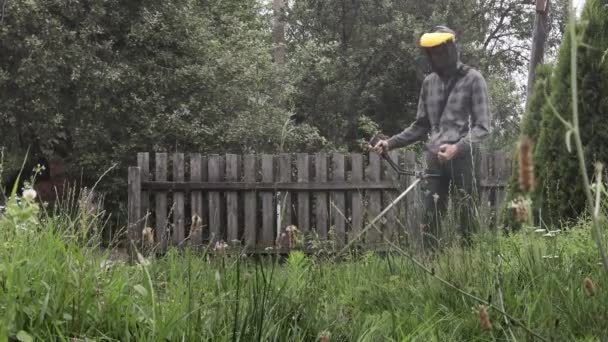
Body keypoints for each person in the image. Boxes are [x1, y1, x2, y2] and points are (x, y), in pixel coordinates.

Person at [373, 25, 491, 250]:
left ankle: (471, 265)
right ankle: (432, 264)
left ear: (451, 49)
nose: (436, 56)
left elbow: (482, 127)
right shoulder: (429, 83)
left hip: (465, 159)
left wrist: (458, 147)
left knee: (467, 216)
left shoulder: (474, 79)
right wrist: (389, 143)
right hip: (435, 159)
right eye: (431, 52)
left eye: (439, 51)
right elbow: (420, 126)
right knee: (430, 216)